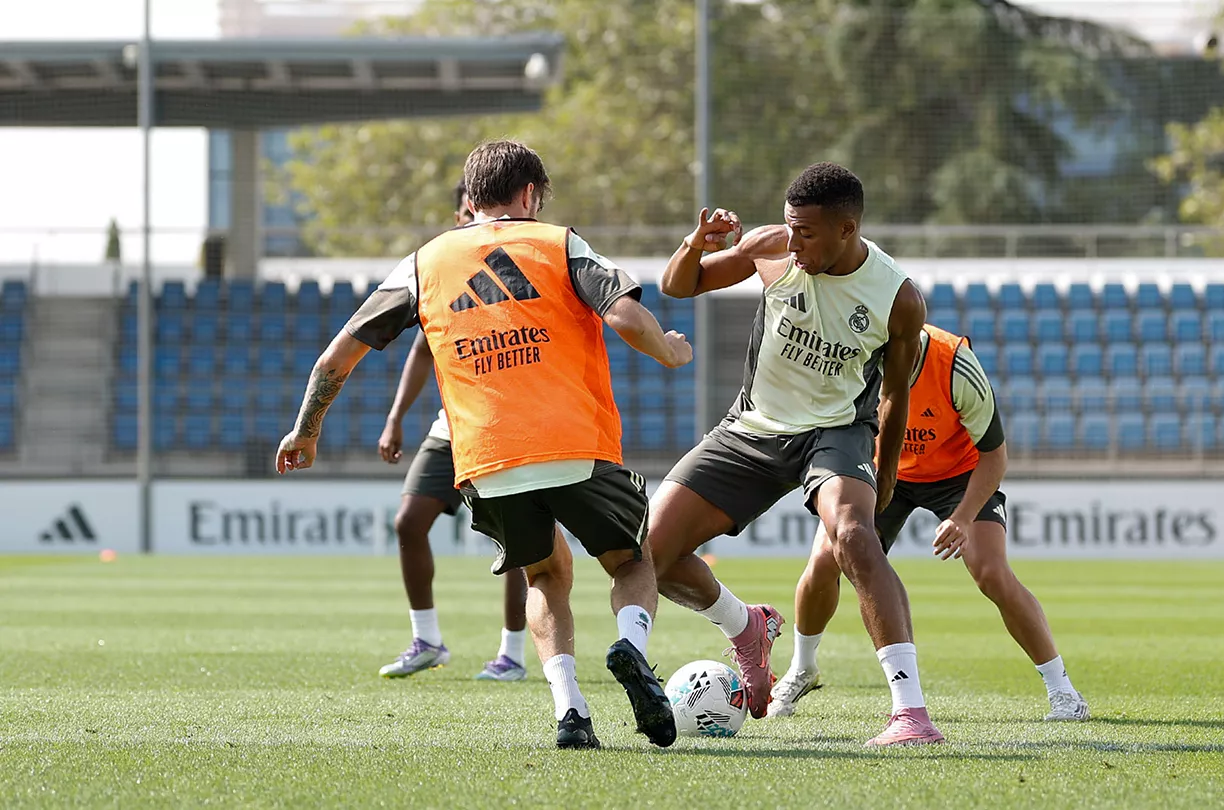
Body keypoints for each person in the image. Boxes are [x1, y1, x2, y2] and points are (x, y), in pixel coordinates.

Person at [277, 140, 688, 750]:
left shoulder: (422, 262)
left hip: (486, 460)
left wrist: (306, 430)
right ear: (529, 195)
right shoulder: (558, 241)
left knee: (546, 575)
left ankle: (570, 711)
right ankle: (630, 646)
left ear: (471, 200)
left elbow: (339, 353)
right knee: (631, 561)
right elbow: (625, 315)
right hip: (576, 444)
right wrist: (671, 350)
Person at [650, 162, 943, 746]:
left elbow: (894, 392)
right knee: (648, 553)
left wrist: (884, 476)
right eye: (790, 226)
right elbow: (678, 286)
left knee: (854, 536)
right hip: (753, 428)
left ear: (847, 228)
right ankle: (746, 626)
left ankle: (910, 712)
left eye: (807, 232)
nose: (795, 240)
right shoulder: (771, 249)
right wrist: (695, 243)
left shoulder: (897, 299)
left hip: (835, 430)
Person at [770, 323, 1090, 722]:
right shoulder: (854, 356)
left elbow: (995, 455)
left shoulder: (956, 366)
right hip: (884, 468)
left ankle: (1063, 691)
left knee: (991, 571)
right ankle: (803, 668)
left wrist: (962, 517)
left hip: (959, 475)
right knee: (823, 562)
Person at [375, 181, 532, 682]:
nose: (471, 218)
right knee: (408, 522)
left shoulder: (521, 262)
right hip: (453, 428)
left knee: (517, 541)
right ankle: (427, 640)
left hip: (512, 426)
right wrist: (396, 416)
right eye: (466, 210)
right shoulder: (445, 265)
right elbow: (423, 348)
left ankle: (512, 653)